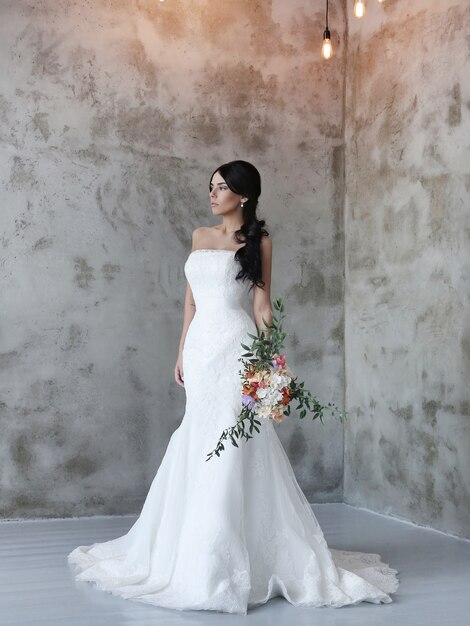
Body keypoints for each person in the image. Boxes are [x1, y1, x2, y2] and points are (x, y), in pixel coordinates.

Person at [67, 160, 399, 614]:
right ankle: (190, 551)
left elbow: (261, 305)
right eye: (211, 186)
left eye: (222, 187)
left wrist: (272, 362)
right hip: (203, 350)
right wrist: (181, 350)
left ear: (243, 195)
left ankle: (230, 560)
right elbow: (189, 300)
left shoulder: (259, 241)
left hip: (238, 348)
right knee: (200, 434)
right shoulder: (200, 236)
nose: (213, 193)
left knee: (236, 438)